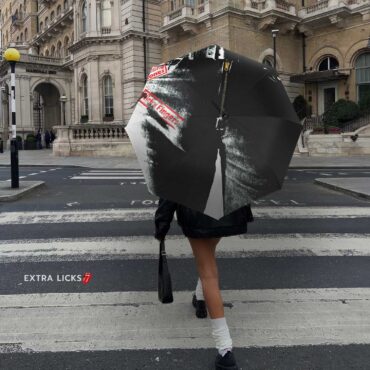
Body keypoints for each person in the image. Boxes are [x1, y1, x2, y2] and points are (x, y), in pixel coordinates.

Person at [154, 197, 254, 370]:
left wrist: (162, 223)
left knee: (208, 271)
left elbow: (170, 187)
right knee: (209, 254)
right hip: (228, 209)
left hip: (196, 211)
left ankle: (225, 351)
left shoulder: (185, 166)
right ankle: (200, 298)